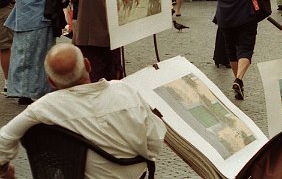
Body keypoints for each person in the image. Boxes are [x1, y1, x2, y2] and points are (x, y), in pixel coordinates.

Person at [0, 43, 166, 179]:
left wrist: (5, 170)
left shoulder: (45, 107)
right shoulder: (125, 91)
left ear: (51, 81)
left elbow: (3, 140)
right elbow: (154, 144)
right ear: (87, 65)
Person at [4, 0, 60, 104]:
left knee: (22, 56)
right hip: (40, 18)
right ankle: (39, 90)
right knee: (40, 55)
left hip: (21, 18)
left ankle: (22, 91)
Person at [213, 0, 262, 100]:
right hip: (245, 15)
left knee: (231, 50)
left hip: (225, 17)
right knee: (245, 48)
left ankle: (238, 83)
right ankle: (239, 78)